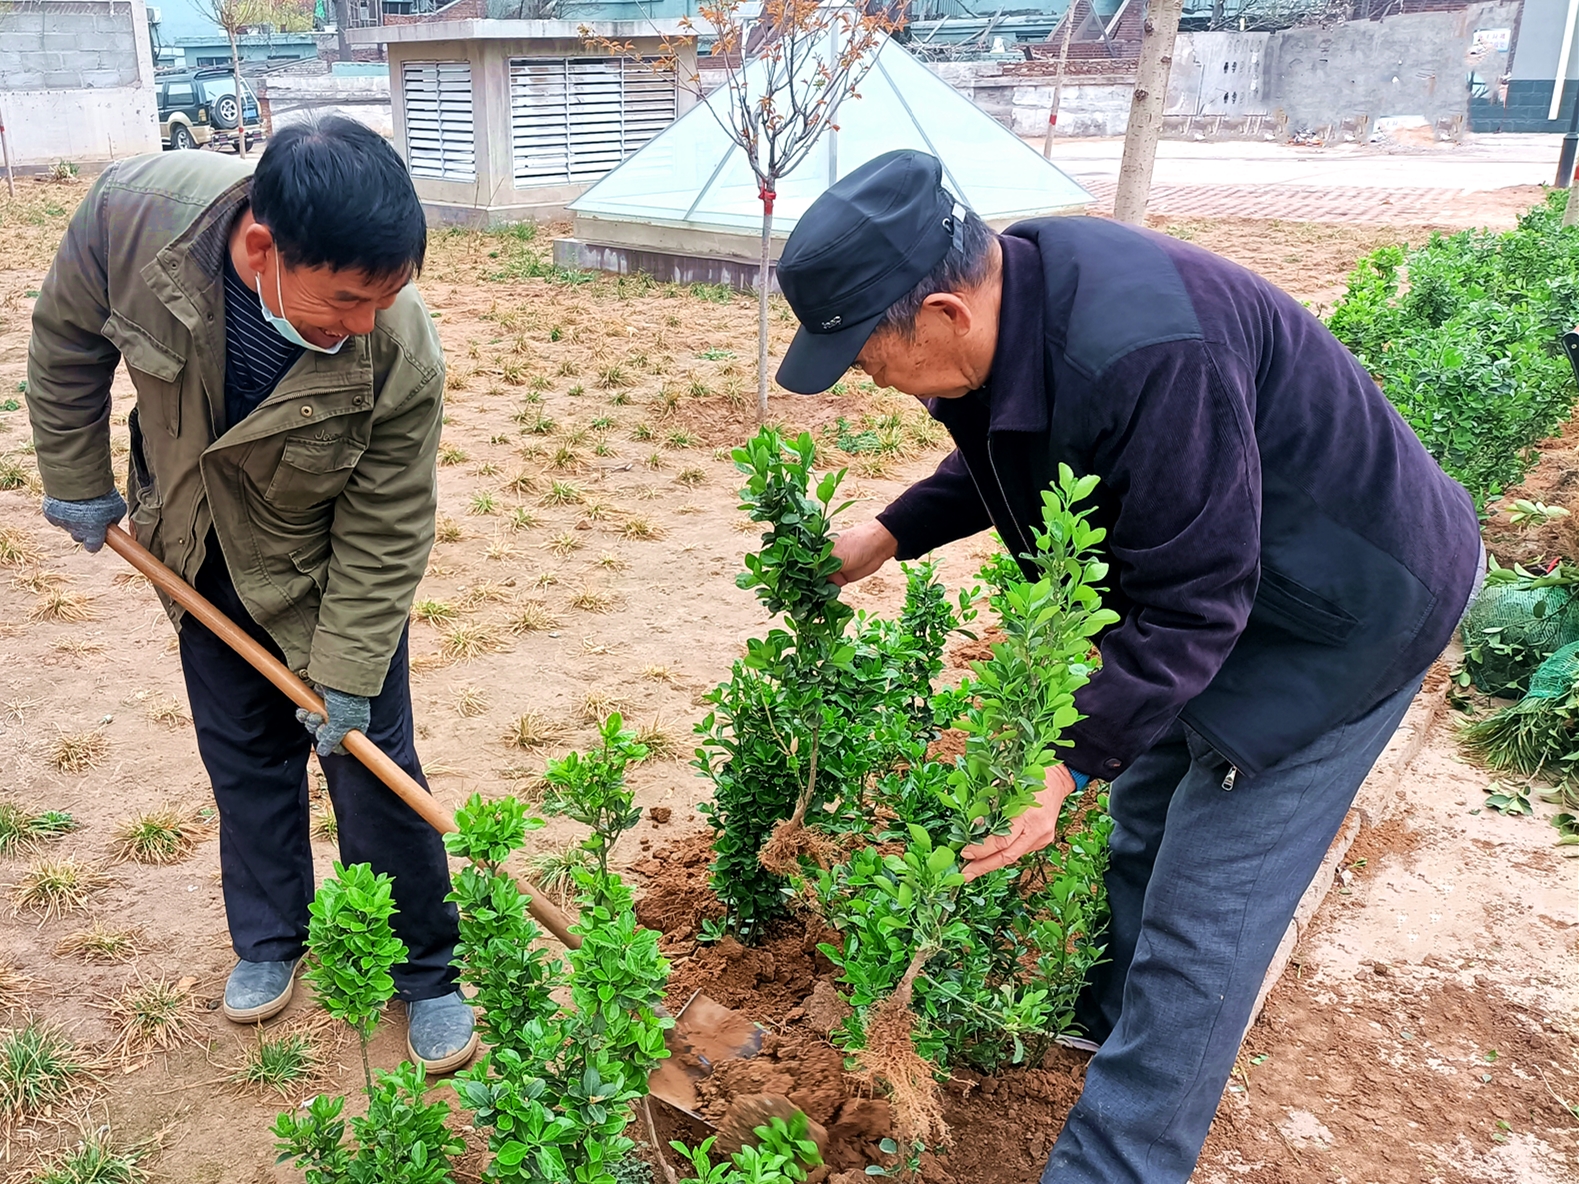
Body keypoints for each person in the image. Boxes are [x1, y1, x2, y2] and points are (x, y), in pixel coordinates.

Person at [772, 150, 1481, 1183]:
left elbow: (1196, 602)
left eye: (864, 353)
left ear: (939, 312)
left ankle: (1115, 1162)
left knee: (1207, 910)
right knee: (1143, 804)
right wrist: (886, 533)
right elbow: (1009, 443)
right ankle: (1101, 1025)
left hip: (1347, 611)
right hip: (1232, 585)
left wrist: (1055, 767)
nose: (865, 378)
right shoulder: (1021, 288)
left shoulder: (1147, 351)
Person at [27, 117, 476, 1073]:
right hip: (191, 543)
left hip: (325, 565)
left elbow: (387, 522)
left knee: (370, 762)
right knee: (243, 754)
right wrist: (74, 473)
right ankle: (270, 940)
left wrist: (349, 671)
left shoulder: (396, 345)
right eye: (345, 299)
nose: (361, 323)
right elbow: (67, 337)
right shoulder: (128, 217)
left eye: (383, 299)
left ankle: (426, 969)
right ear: (263, 248)